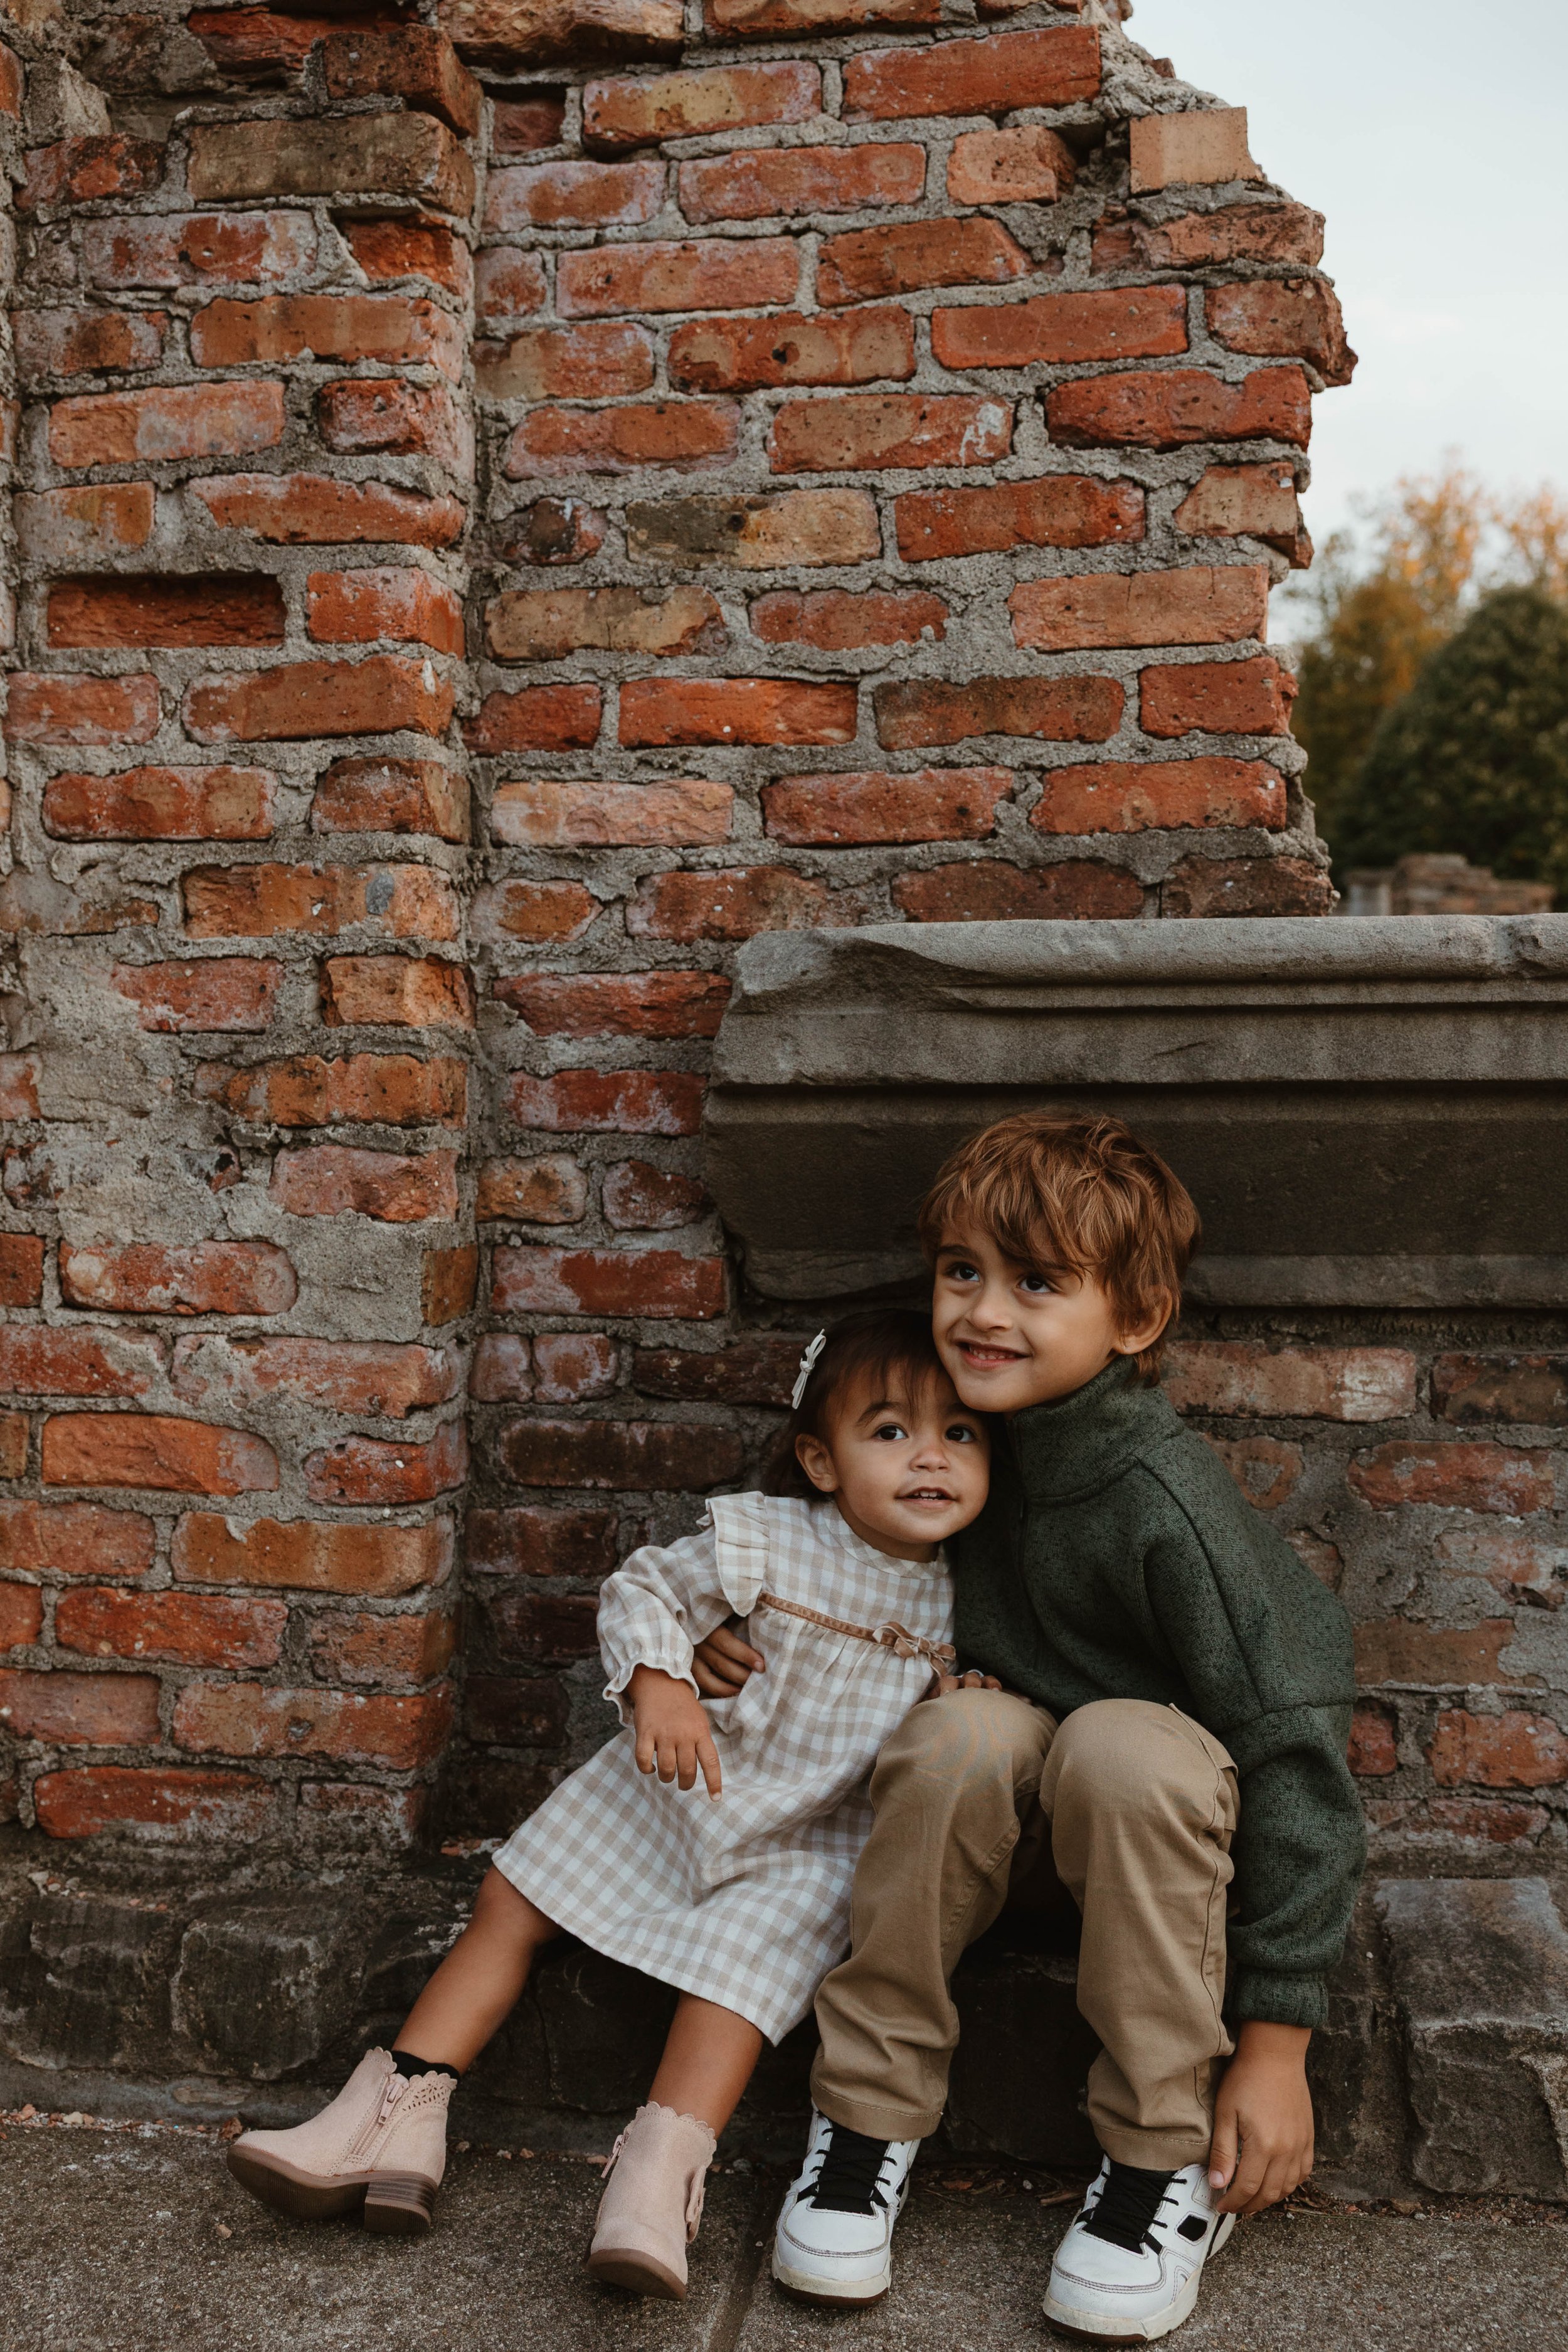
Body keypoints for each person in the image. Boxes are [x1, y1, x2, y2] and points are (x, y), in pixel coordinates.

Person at [696, 1115, 1365, 2339]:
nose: (982, 1312)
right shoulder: (942, 1441)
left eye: (1035, 1283)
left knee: (1116, 1740)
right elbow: (811, 1554)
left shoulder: (1162, 1499)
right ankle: (863, 2125)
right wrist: (722, 1640)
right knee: (964, 1735)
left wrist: (1273, 2047)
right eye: (961, 1271)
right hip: (984, 1838)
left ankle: (1160, 2162)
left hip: (1152, 1843)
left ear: (1133, 1320)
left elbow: (1292, 1762)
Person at [224, 1308, 990, 2303]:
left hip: (806, 1841)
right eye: (890, 1431)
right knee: (514, 1896)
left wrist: (965, 1701)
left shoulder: (961, 1600)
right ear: (822, 1458)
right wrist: (659, 1684)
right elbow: (644, 1591)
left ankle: (656, 2179)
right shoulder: (769, 1537)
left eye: (960, 1434)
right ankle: (395, 2113)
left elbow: (945, 1734)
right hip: (681, 1786)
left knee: (737, 1985)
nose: (930, 1456)